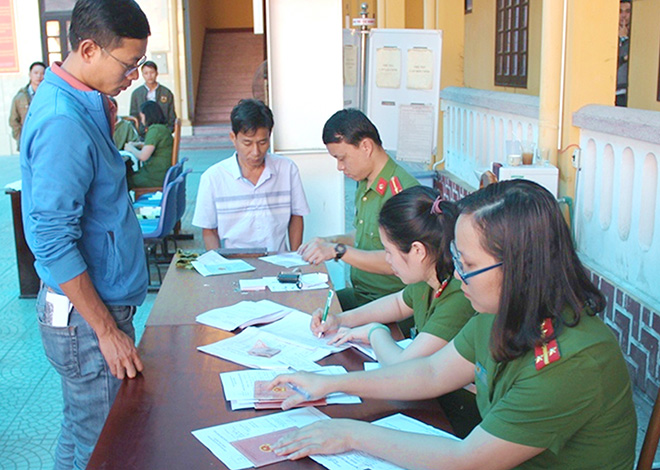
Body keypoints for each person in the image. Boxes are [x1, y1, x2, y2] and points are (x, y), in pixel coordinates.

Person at [270, 180, 636, 470]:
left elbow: (468, 461)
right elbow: (429, 371)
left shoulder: (572, 362)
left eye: (468, 264)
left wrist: (350, 434)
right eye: (456, 258)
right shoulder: (499, 313)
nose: (458, 275)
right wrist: (330, 383)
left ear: (521, 267)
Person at [20, 1, 150, 468]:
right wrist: (106, 330)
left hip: (87, 314)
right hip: (86, 321)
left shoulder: (83, 102)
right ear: (89, 49)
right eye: (128, 64)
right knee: (105, 445)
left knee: (82, 433)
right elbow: (51, 240)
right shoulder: (63, 120)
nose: (134, 75)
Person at [312, 186, 474, 365]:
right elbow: (398, 303)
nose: (387, 259)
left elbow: (402, 364)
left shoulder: (459, 295)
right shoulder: (430, 273)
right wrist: (340, 320)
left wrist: (374, 331)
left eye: (389, 251)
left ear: (418, 250)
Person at [298, 109, 419, 312]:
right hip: (362, 294)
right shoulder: (365, 182)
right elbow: (365, 236)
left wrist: (338, 251)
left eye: (342, 158)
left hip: (392, 303)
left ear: (366, 146)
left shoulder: (402, 192)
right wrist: (330, 241)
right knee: (307, 308)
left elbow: (404, 262)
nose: (339, 167)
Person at [192, 99, 309, 252]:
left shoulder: (287, 169)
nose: (256, 152)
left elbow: (296, 216)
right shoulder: (213, 178)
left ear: (270, 136)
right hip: (234, 262)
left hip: (278, 261)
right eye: (247, 143)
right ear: (233, 138)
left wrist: (295, 257)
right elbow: (209, 230)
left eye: (262, 142)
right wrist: (218, 265)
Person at [125, 100, 173, 189]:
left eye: (142, 116)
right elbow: (154, 146)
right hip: (162, 174)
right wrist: (139, 144)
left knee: (123, 181)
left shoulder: (154, 130)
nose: (141, 120)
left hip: (154, 176)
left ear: (147, 115)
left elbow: (143, 156)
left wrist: (130, 148)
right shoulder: (162, 128)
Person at [129, 60, 176, 131]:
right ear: (142, 75)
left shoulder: (166, 93)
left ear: (157, 73)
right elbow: (133, 116)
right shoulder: (136, 94)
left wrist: (167, 130)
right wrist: (139, 130)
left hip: (163, 132)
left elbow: (171, 116)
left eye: (152, 72)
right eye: (146, 73)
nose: (149, 76)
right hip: (142, 134)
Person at [8, 61, 46, 151]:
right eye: (35, 73)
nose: (39, 76)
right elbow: (13, 120)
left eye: (42, 73)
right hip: (27, 144)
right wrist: (21, 138)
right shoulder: (20, 97)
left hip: (45, 141)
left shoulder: (49, 95)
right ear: (30, 74)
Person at [616, 0, 631, 107]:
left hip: (625, 93)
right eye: (621, 11)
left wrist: (624, 39)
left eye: (627, 11)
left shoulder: (637, 34)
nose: (624, 16)